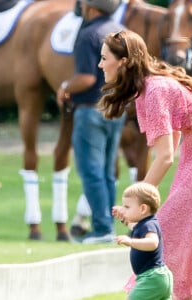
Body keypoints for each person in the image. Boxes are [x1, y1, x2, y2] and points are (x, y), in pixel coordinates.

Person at [97, 29, 192, 300]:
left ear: (125, 61)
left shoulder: (153, 91)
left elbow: (164, 155)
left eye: (104, 58)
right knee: (181, 242)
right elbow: (172, 143)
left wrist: (135, 205)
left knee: (173, 236)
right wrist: (138, 204)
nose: (100, 64)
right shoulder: (151, 86)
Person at [56, 0, 125, 244]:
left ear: (92, 8)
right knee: (107, 172)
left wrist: (65, 87)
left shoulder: (88, 34)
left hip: (91, 109)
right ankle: (108, 226)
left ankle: (102, 228)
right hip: (116, 108)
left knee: (91, 171)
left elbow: (85, 78)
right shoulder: (120, 30)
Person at [113, 182, 173, 300]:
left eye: (127, 207)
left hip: (151, 278)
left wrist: (130, 241)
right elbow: (133, 226)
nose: (125, 210)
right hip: (159, 278)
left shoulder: (148, 225)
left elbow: (153, 243)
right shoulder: (145, 224)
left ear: (143, 209)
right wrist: (123, 215)